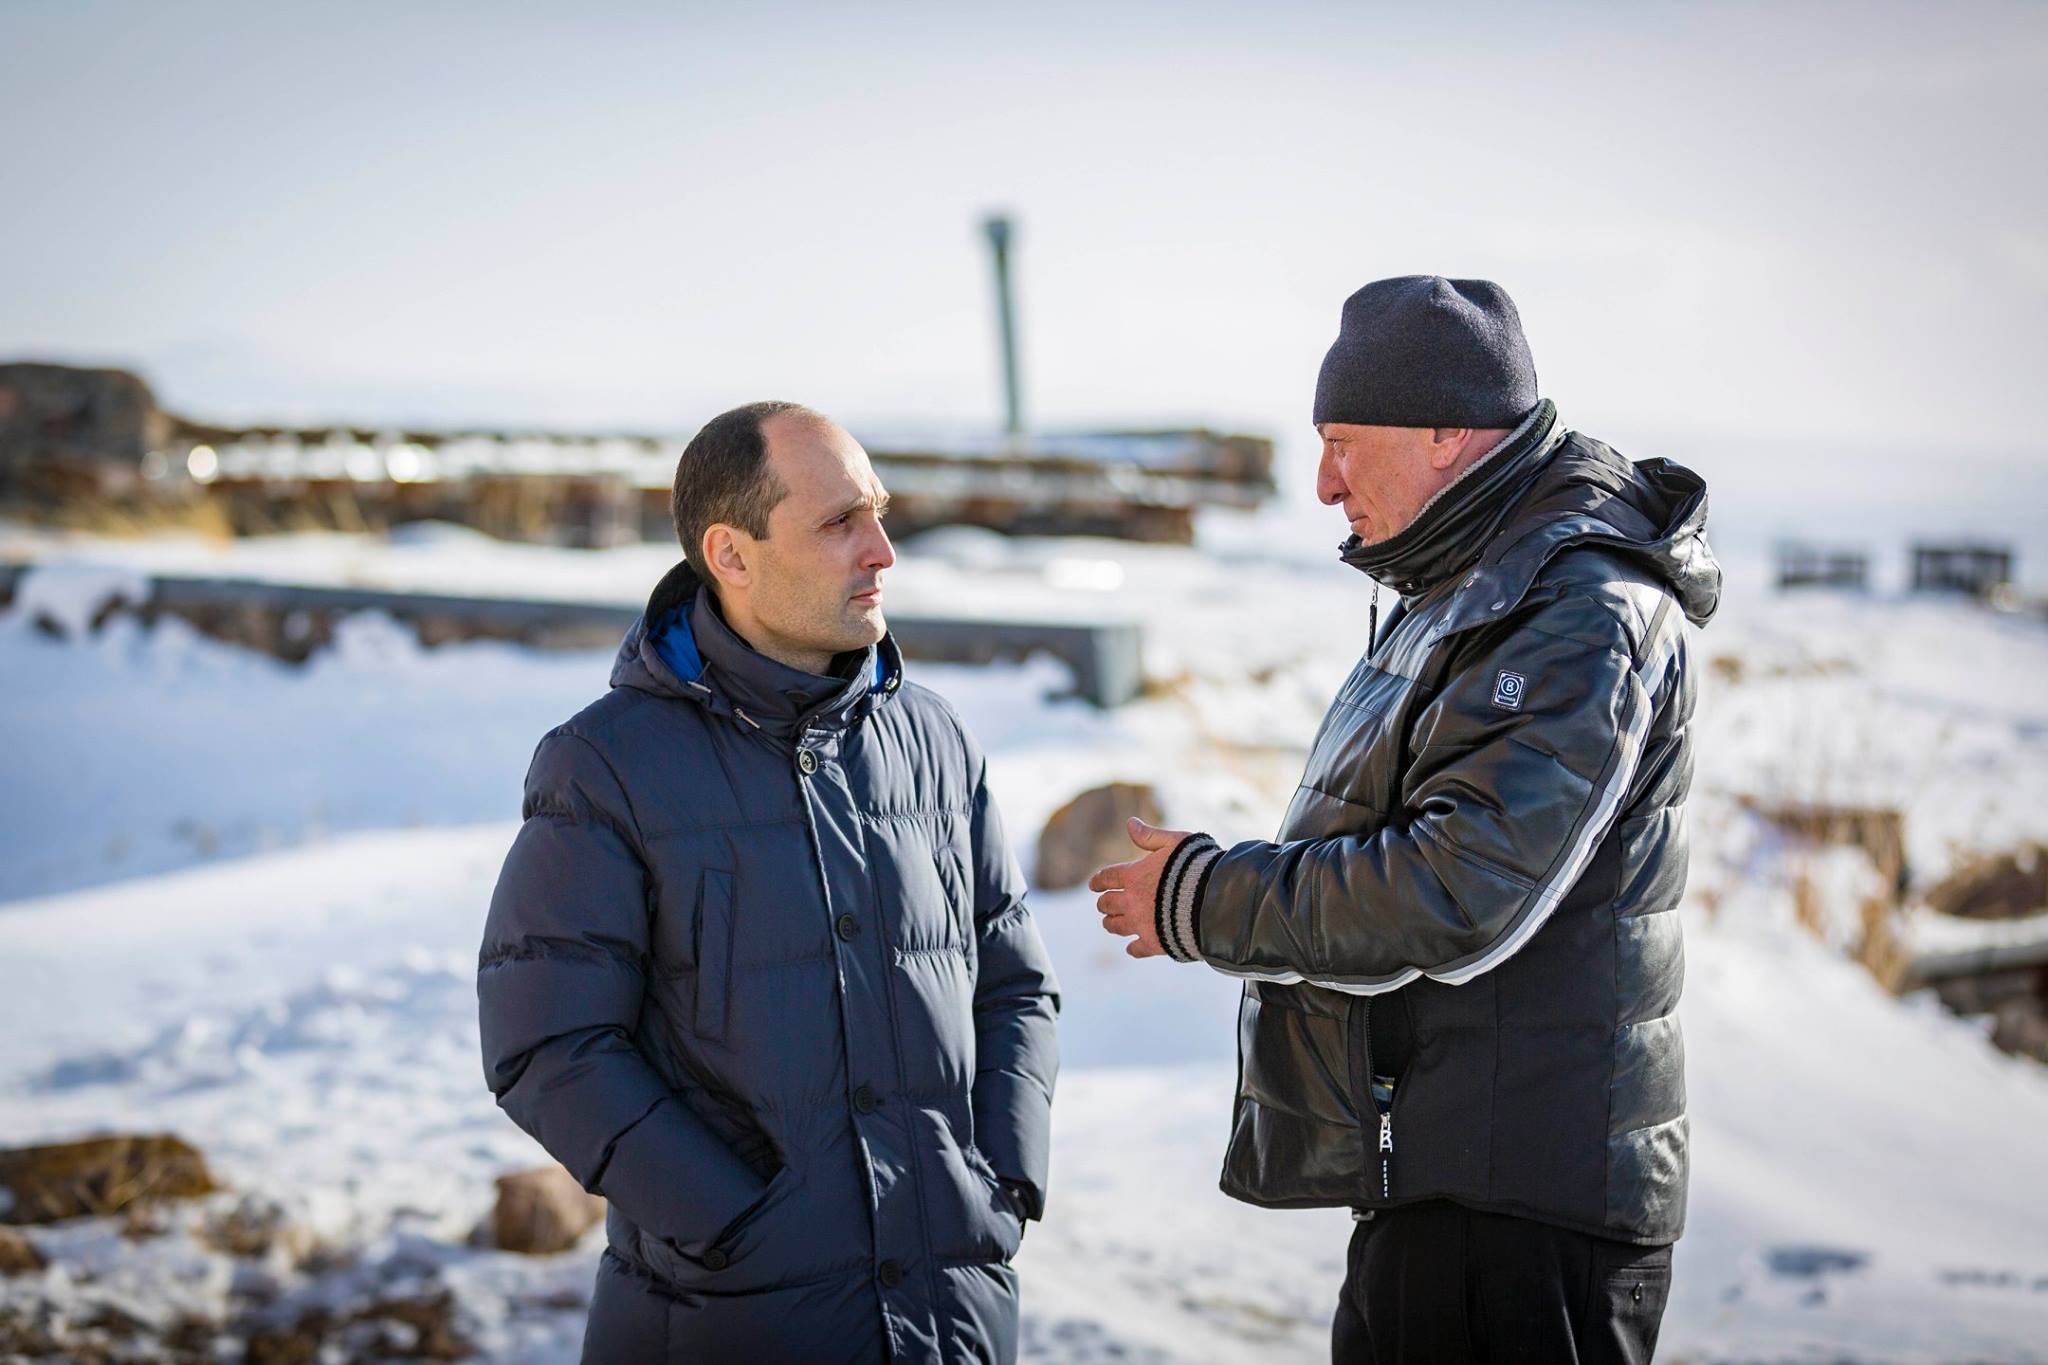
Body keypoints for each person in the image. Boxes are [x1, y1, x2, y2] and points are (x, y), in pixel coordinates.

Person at [1089, 277, 1719, 1362]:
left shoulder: (1574, 608)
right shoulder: (1474, 583)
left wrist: (1205, 898)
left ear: (1444, 432)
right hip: (1448, 1179)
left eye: (1342, 444)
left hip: (1520, 1210)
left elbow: (1456, 888)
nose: (1323, 484)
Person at [478, 401, 1059, 1363]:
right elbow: (546, 1041)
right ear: (732, 554)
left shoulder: (936, 740)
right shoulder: (606, 765)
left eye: (878, 512)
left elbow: (1014, 985)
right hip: (727, 1321)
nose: (882, 551)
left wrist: (1000, 1179)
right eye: (839, 522)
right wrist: (731, 1223)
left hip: (951, 1318)